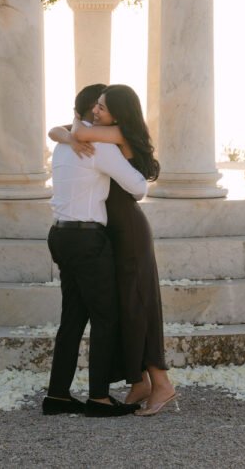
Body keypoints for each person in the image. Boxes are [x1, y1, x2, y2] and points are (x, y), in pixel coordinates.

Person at [71, 84, 177, 417]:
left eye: (102, 106)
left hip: (128, 231)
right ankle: (138, 381)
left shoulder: (113, 134)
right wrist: (72, 134)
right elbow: (67, 130)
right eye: (96, 106)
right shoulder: (114, 133)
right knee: (128, 306)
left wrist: (73, 133)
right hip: (116, 230)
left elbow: (74, 129)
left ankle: (161, 384)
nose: (96, 110)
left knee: (138, 306)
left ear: (118, 111)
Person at [44, 84, 148, 418]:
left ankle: (58, 395)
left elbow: (59, 131)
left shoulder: (63, 146)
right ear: (93, 112)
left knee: (72, 318)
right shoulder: (97, 148)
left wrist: (69, 134)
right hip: (87, 239)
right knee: (106, 317)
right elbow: (139, 187)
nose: (102, 114)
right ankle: (99, 398)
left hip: (60, 235)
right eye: (100, 108)